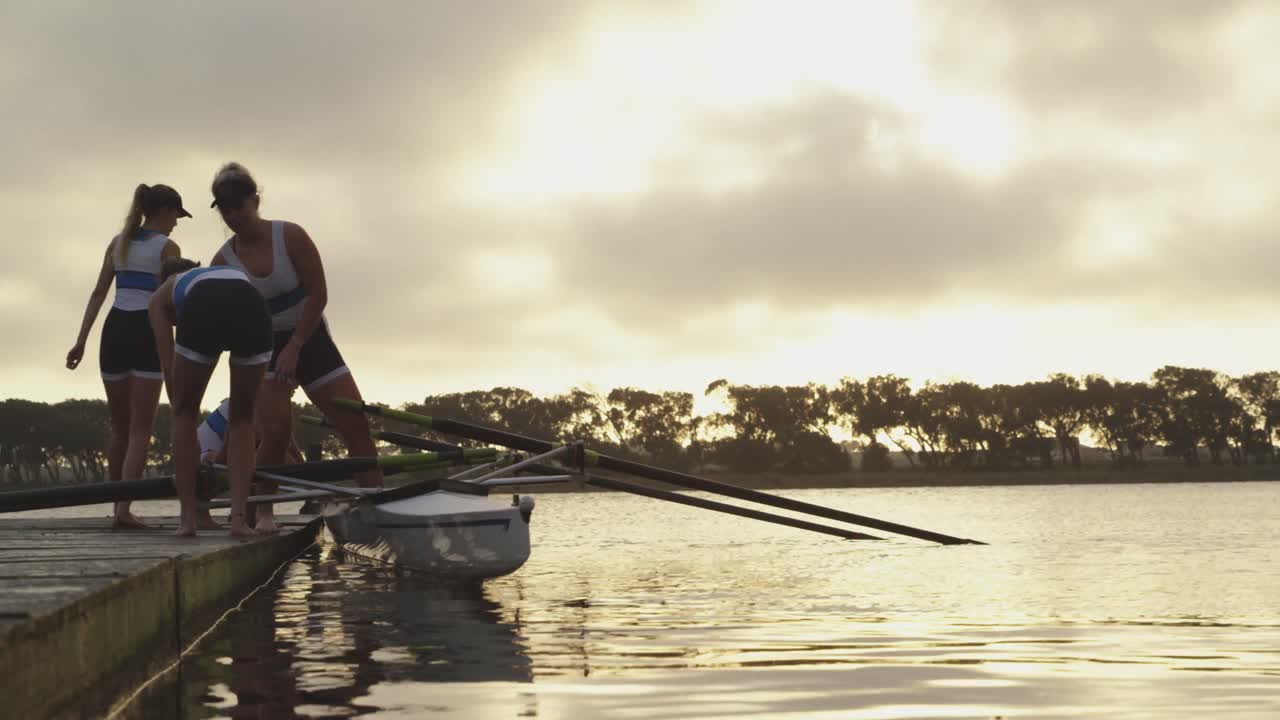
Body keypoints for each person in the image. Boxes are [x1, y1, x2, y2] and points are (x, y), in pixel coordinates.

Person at [208, 162, 381, 534]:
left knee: (355, 426)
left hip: (311, 337)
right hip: (264, 346)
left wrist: (296, 345)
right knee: (274, 432)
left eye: (239, 205)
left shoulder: (291, 237)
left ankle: (380, 509)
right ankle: (264, 513)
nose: (233, 215)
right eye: (225, 208)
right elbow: (228, 322)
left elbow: (319, 295)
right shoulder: (223, 261)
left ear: (255, 201)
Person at [66, 184, 190, 529]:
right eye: (176, 216)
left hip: (114, 330)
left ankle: (116, 507)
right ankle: (123, 510)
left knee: (119, 427)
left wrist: (81, 341)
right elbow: (173, 304)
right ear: (165, 211)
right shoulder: (168, 247)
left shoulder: (117, 242)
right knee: (140, 431)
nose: (176, 224)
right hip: (145, 330)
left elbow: (98, 293)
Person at [149, 258, 272, 537]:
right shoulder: (225, 274)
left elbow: (167, 365)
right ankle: (239, 521)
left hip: (206, 305)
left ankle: (188, 520)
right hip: (252, 306)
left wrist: (180, 402)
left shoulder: (160, 295)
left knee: (184, 413)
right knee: (243, 418)